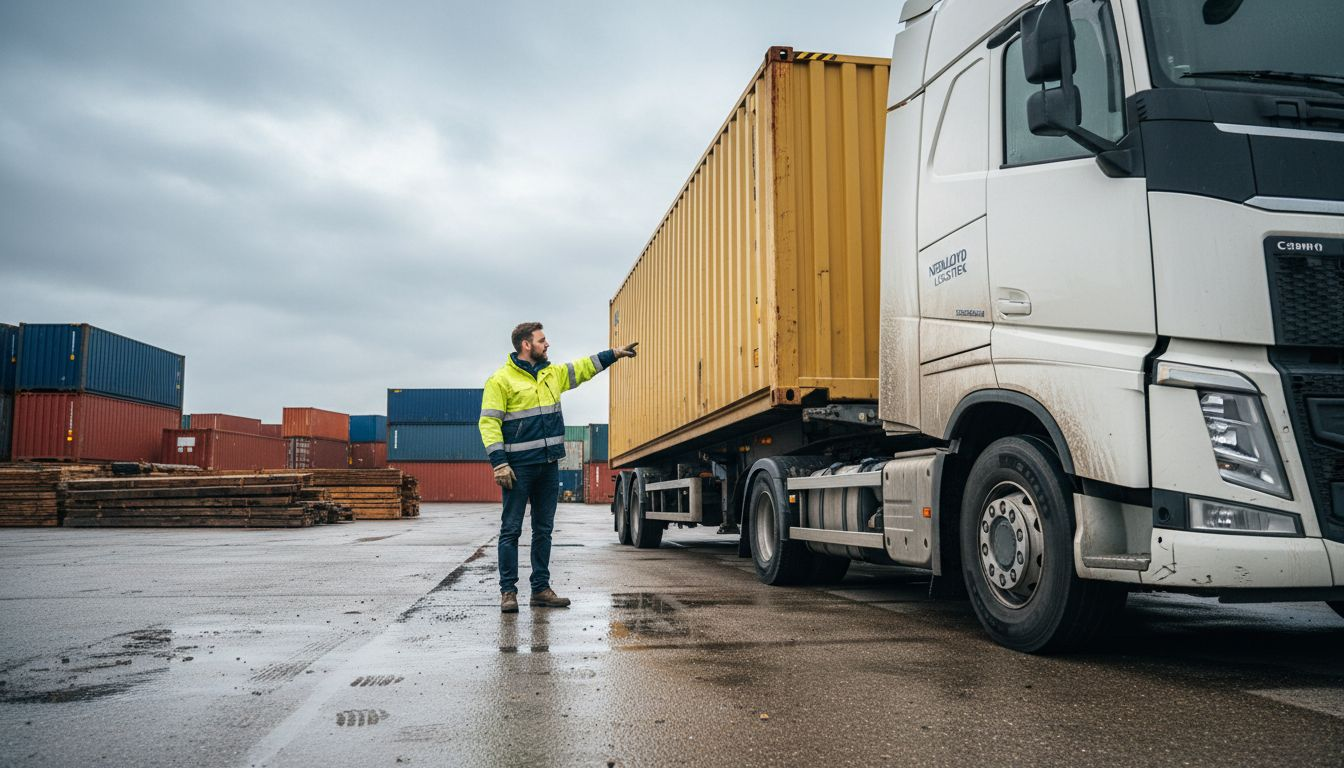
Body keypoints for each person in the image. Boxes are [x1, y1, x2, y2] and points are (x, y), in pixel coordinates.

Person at [479, 322, 638, 613]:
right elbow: (488, 423)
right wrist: (499, 463)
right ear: (526, 345)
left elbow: (583, 367)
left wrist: (613, 354)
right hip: (518, 468)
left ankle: (540, 589)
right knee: (511, 530)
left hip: (549, 466)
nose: (547, 344)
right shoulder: (500, 380)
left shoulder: (553, 374)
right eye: (542, 340)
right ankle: (508, 592)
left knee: (543, 530)